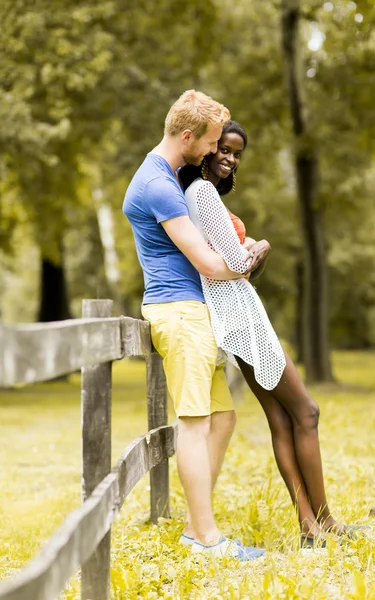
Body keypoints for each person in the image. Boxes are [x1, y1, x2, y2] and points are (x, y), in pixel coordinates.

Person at [180, 120, 367, 547]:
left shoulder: (194, 194)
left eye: (237, 153)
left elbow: (234, 263)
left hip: (235, 315)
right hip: (239, 315)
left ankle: (311, 527)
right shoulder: (202, 193)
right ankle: (325, 520)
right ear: (206, 149)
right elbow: (238, 264)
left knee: (283, 418)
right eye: (223, 148)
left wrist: (251, 253)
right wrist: (261, 247)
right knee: (307, 411)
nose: (230, 158)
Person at [122, 91, 265, 560]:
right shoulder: (157, 185)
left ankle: (194, 525)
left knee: (222, 418)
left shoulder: (165, 174)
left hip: (195, 312)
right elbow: (208, 261)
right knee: (195, 423)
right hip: (180, 312)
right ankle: (205, 538)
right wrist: (246, 261)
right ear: (187, 136)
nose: (212, 152)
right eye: (208, 142)